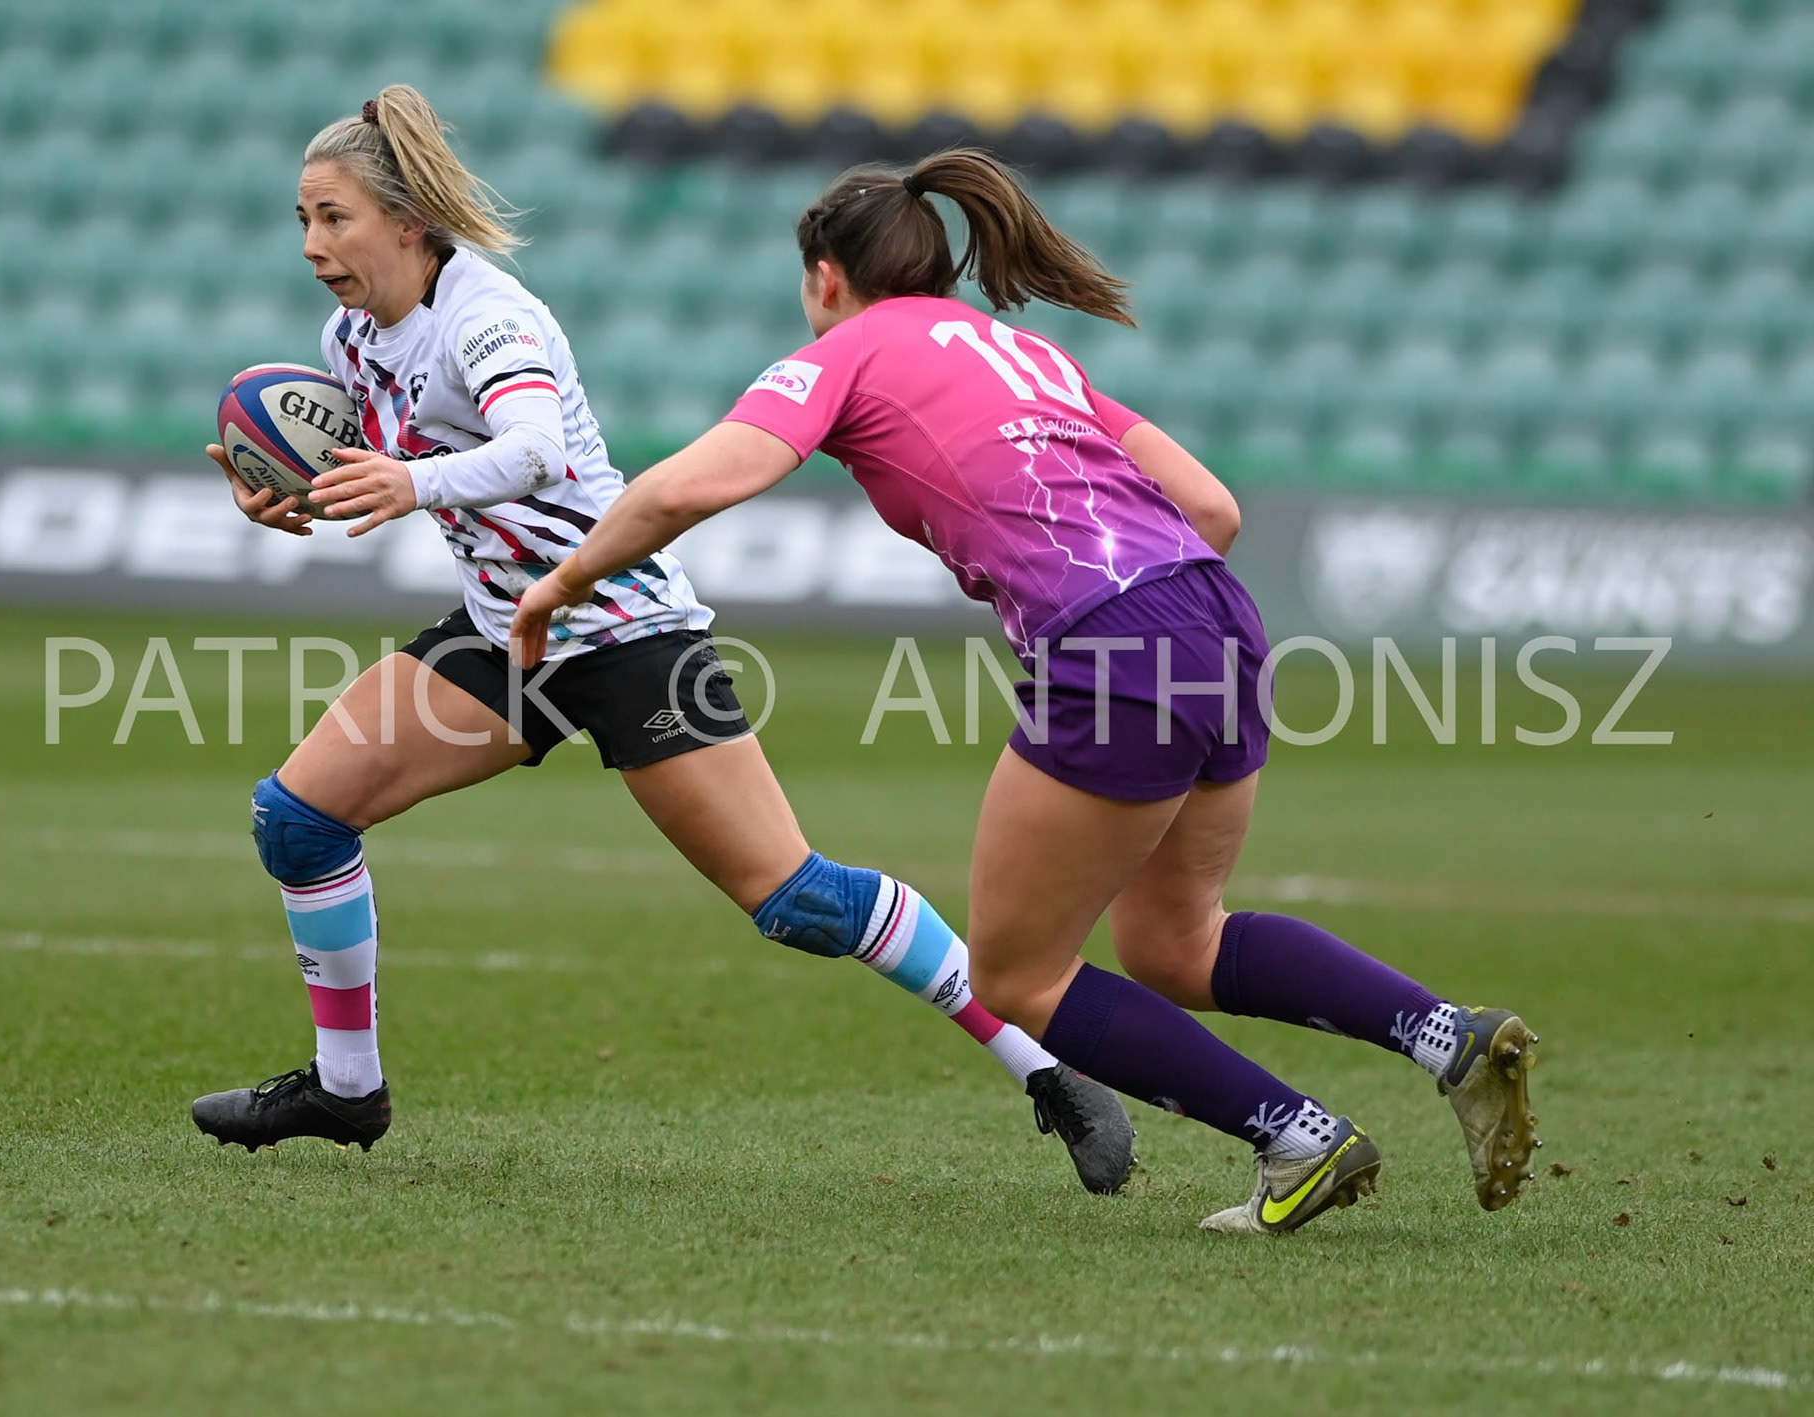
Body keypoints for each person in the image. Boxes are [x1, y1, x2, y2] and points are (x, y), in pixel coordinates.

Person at [507, 149, 1543, 1235]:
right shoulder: (1031, 354)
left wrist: (563, 583)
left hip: (1114, 649)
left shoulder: (847, 350)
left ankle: (1299, 1136)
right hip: (1219, 618)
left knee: (1014, 971)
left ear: (824, 276)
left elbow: (692, 483)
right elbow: (1216, 509)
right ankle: (1446, 1036)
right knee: (1178, 943)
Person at [188, 89, 1137, 1195]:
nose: (312, 246)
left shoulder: (490, 317)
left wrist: (409, 483)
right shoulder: (350, 337)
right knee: (298, 820)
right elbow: (393, 476)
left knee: (795, 898)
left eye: (333, 218)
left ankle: (1048, 1065)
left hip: (626, 626)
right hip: (509, 634)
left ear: (408, 222)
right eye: (301, 219)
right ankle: (347, 1086)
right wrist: (297, 502)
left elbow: (534, 448)